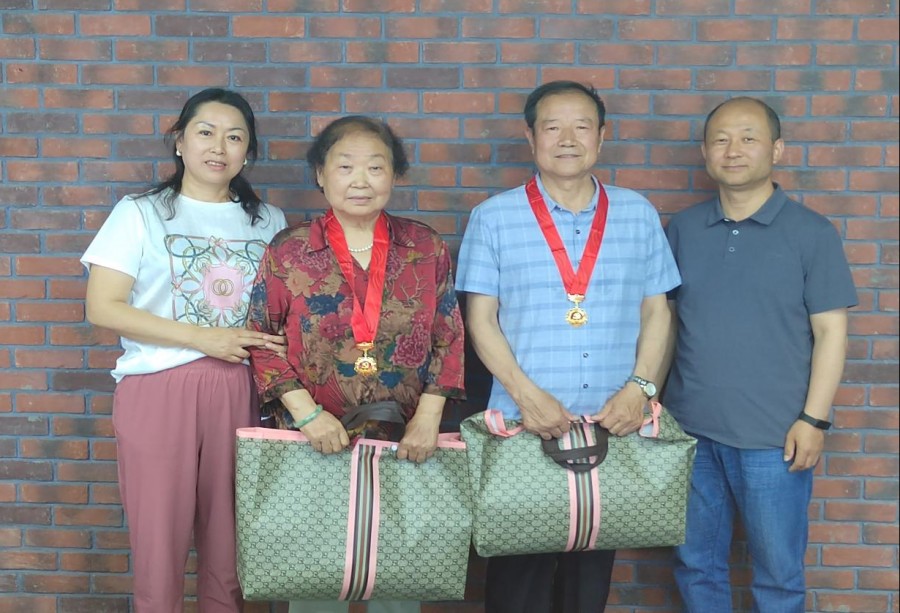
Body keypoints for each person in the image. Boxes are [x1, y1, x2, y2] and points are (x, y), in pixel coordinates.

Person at [456, 80, 681, 612]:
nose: (567, 139)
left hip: (612, 424)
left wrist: (641, 390)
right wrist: (525, 395)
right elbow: (480, 319)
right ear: (530, 137)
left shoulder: (637, 213)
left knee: (588, 585)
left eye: (581, 126)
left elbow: (657, 311)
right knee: (517, 585)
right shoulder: (494, 217)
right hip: (522, 426)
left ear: (601, 136)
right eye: (552, 127)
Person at [245, 115, 466, 613]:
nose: (360, 180)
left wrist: (428, 419)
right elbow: (261, 340)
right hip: (314, 441)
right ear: (321, 175)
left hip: (406, 442)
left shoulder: (424, 246)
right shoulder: (290, 250)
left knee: (398, 582)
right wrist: (307, 416)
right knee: (317, 584)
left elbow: (449, 335)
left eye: (375, 167)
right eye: (345, 166)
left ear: (395, 175)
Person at [82, 88, 288, 613]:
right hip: (158, 387)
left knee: (231, 548)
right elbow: (102, 306)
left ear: (248, 152)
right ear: (179, 141)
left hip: (243, 389)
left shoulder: (269, 221)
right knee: (159, 543)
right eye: (205, 132)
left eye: (235, 137)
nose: (219, 147)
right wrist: (202, 337)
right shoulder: (141, 213)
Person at [664, 97, 858, 612]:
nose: (733, 150)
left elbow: (832, 334)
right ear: (705, 151)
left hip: (777, 438)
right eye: (721, 139)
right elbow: (665, 323)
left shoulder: (811, 233)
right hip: (690, 434)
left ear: (776, 149)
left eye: (748, 138)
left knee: (778, 575)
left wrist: (813, 419)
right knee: (696, 566)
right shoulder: (682, 229)